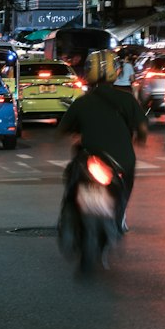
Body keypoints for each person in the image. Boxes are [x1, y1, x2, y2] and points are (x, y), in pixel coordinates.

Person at [56, 49, 147, 231]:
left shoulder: (82, 102)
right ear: (116, 71)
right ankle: (119, 215)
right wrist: (140, 137)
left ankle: (68, 215)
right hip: (122, 161)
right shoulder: (127, 99)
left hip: (90, 158)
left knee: (71, 176)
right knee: (126, 183)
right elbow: (142, 127)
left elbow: (62, 130)